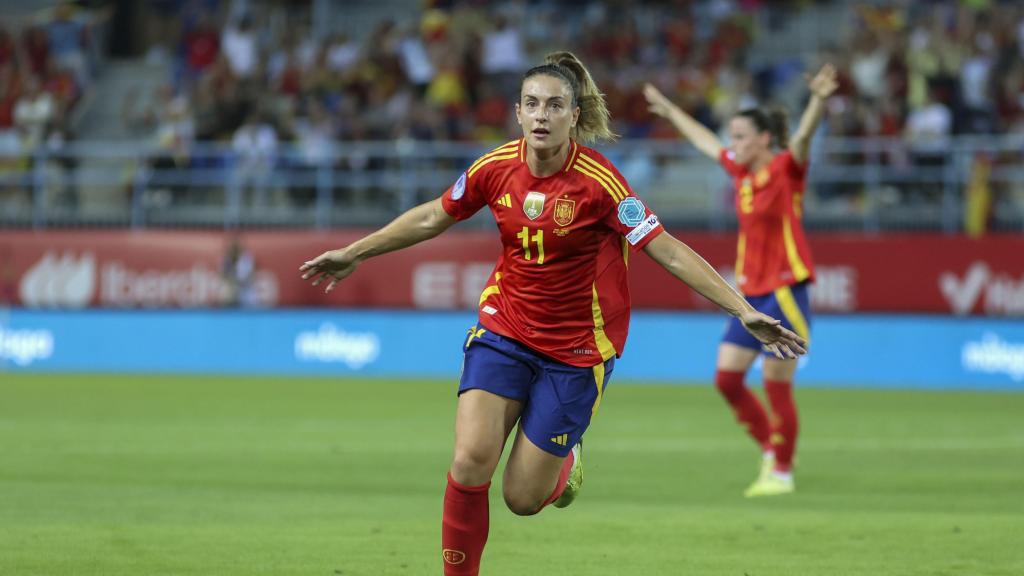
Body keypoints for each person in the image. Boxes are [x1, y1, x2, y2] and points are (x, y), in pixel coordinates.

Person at [300, 51, 806, 575]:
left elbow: (667, 249)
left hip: (576, 350)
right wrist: (356, 251)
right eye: (532, 104)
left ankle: (566, 461)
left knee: (521, 498)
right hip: (505, 327)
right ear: (517, 113)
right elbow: (433, 215)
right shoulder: (494, 167)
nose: (542, 115)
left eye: (555, 106)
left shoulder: (601, 184)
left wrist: (742, 309)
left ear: (574, 116)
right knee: (470, 460)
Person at [643, 64, 838, 497]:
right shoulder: (742, 174)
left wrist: (819, 101)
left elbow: (803, 139)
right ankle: (775, 447)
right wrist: (672, 111)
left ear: (765, 139)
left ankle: (782, 472)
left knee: (775, 384)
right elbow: (706, 142)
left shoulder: (788, 169)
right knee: (727, 380)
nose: (733, 145)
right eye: (732, 136)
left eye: (742, 137)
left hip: (785, 292)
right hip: (749, 297)